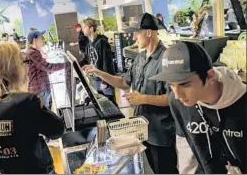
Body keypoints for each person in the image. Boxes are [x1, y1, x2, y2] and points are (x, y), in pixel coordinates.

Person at [82, 13, 178, 174]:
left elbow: (173, 98)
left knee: (165, 170)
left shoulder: (166, 59)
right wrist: (99, 73)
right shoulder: (140, 58)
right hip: (142, 129)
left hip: (160, 134)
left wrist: (143, 99)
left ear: (149, 32)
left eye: (136, 32)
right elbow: (123, 83)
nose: (133, 37)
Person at [150, 41, 246, 173]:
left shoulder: (242, 102)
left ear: (210, 76)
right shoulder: (177, 102)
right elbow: (185, 146)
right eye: (171, 84)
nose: (178, 95)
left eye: (185, 84)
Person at [0, 42, 64, 173]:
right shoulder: (25, 102)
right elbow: (57, 130)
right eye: (24, 62)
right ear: (13, 68)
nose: (27, 67)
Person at [80, 17, 117, 106]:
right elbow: (86, 59)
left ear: (91, 28)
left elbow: (107, 63)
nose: (82, 29)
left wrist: (105, 81)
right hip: (95, 79)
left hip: (105, 79)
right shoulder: (88, 44)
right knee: (102, 105)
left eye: (84, 27)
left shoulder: (102, 42)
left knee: (111, 105)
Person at [26, 30, 66, 109]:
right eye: (41, 38)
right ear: (35, 40)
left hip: (42, 89)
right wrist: (65, 65)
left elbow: (42, 68)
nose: (42, 40)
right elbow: (47, 67)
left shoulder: (35, 52)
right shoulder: (32, 53)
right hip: (40, 90)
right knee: (44, 114)